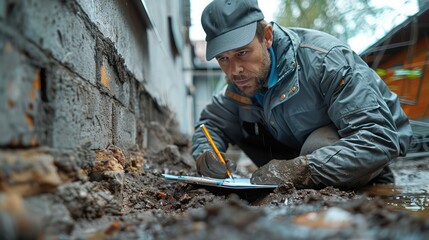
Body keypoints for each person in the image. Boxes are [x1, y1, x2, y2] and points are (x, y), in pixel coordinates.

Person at [191, 0, 413, 189]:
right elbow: (211, 124)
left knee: (318, 146)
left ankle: (369, 181)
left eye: (242, 53)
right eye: (223, 59)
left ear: (267, 37)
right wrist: (205, 154)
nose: (234, 70)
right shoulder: (241, 84)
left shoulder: (326, 62)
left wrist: (298, 170)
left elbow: (378, 138)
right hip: (298, 149)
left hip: (368, 142)